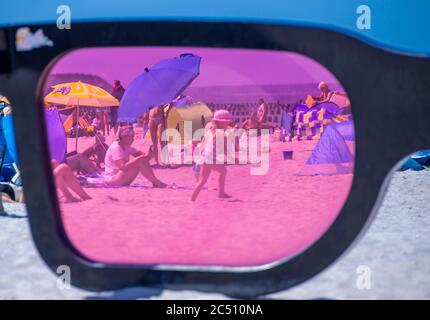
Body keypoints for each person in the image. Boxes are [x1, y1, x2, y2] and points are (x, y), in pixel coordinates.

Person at [191, 110, 233, 201]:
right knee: (223, 171)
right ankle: (221, 193)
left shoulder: (210, 131)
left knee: (202, 181)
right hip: (210, 160)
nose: (228, 124)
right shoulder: (221, 134)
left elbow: (203, 142)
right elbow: (224, 149)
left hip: (205, 158)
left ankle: (192, 199)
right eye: (226, 122)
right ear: (220, 122)